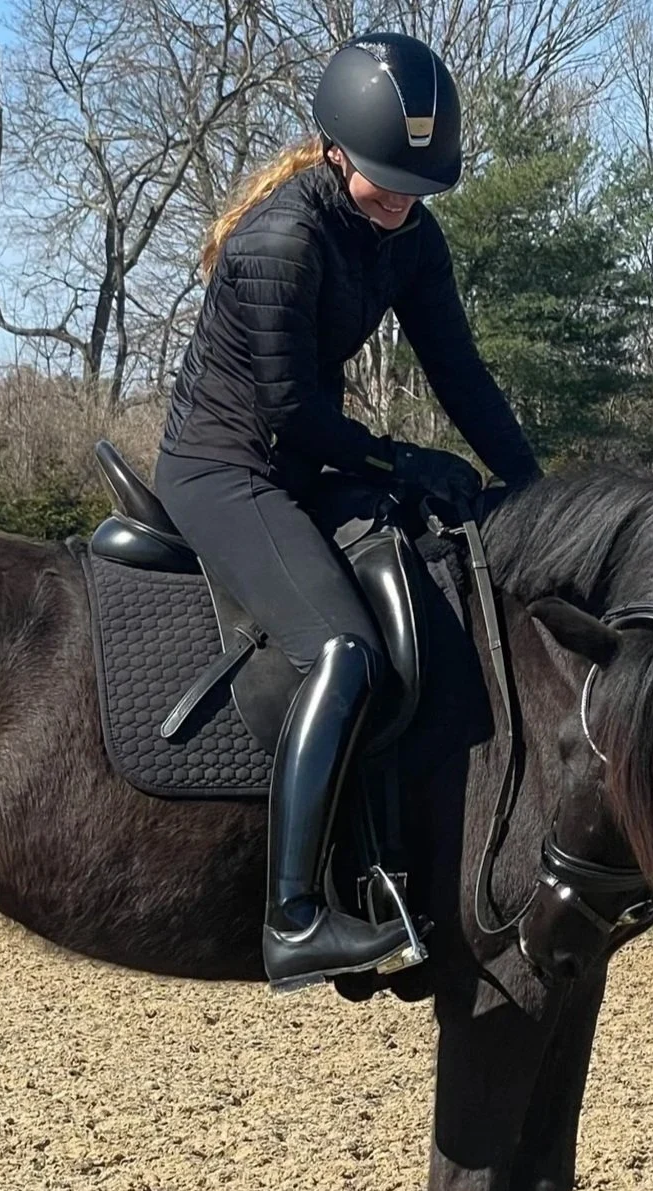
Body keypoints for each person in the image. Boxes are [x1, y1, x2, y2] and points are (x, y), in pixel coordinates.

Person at [154, 31, 542, 991]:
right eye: (383, 175)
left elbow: (460, 371)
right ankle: (293, 916)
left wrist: (535, 491)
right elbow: (292, 413)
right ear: (334, 149)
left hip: (302, 458)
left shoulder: (409, 231)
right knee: (343, 651)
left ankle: (390, 878)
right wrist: (406, 459)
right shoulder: (282, 240)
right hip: (226, 466)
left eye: (419, 179)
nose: (403, 194)